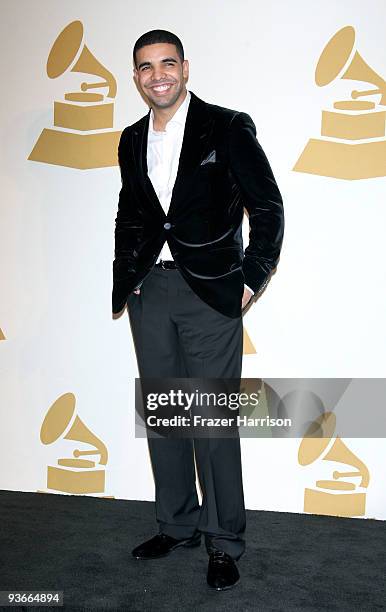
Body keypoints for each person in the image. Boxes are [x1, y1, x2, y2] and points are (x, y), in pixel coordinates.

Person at [112, 29, 284, 590]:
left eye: (166, 63)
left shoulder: (228, 126)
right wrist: (129, 277)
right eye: (145, 67)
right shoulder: (131, 138)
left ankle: (224, 541)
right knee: (166, 418)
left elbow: (268, 207)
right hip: (150, 294)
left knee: (210, 423)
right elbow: (132, 214)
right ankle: (177, 524)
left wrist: (251, 279)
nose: (157, 74)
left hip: (211, 294)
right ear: (136, 76)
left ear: (185, 68)